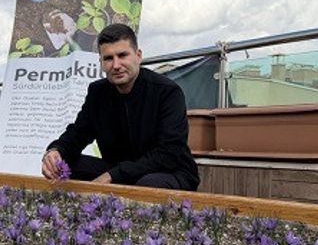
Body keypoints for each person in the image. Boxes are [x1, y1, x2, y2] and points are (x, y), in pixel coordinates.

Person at [40, 24, 200, 191]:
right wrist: (56, 150)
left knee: (148, 184)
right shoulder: (98, 92)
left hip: (169, 172)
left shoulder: (167, 92)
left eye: (122, 55)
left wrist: (112, 176)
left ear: (138, 56)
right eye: (108, 58)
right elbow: (78, 133)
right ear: (100, 62)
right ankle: (72, 212)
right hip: (118, 170)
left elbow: (168, 153)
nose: (116, 65)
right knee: (61, 165)